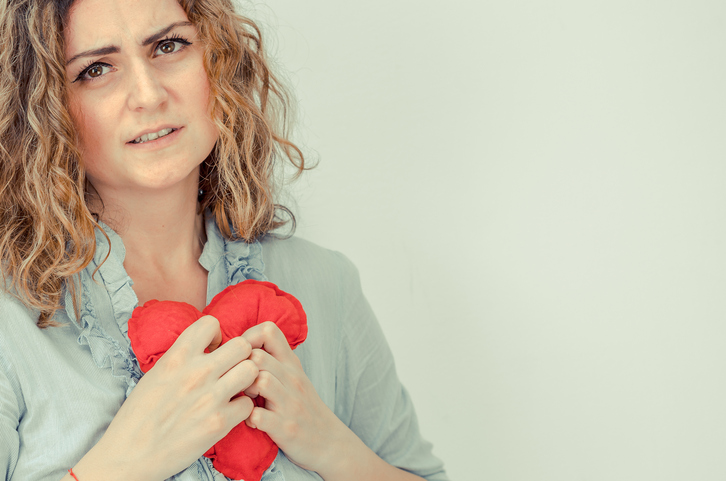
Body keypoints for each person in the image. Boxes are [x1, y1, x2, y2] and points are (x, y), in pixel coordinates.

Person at [0, 0, 448, 480]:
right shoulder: (11, 322)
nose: (149, 95)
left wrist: (327, 442)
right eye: (95, 69)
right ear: (44, 110)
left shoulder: (327, 283)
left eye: (169, 46)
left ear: (218, 61)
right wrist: (124, 465)